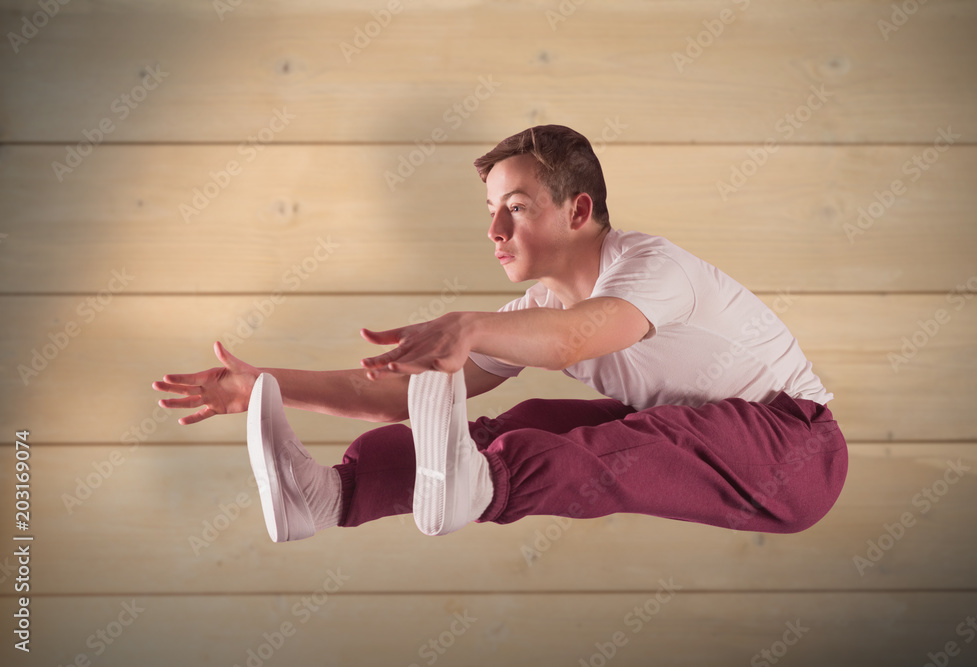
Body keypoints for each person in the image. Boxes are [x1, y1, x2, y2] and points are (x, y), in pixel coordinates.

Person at [153, 125, 848, 544]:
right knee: (524, 421)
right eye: (490, 211)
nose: (494, 232)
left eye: (514, 209)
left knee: (613, 446)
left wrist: (468, 326)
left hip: (798, 449)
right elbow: (397, 395)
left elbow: (579, 338)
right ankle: (331, 495)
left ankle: (479, 487)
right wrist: (265, 386)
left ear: (579, 210)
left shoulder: (651, 267)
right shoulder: (536, 310)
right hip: (694, 428)